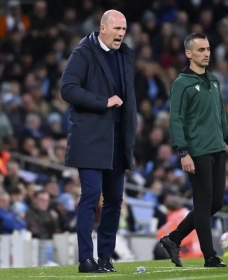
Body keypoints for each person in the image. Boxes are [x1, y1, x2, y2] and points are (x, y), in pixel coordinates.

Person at [60, 10, 137, 273]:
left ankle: (105, 256)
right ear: (103, 29)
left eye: (124, 29)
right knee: (91, 196)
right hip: (91, 138)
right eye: (117, 29)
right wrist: (102, 103)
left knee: (115, 199)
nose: (121, 34)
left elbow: (129, 97)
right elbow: (67, 88)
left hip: (117, 138)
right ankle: (85, 259)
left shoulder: (125, 54)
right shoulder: (83, 52)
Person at [160, 33, 228, 268]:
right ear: (188, 54)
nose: (206, 54)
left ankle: (173, 239)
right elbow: (175, 119)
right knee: (204, 204)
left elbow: (221, 116)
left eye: (207, 49)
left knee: (215, 204)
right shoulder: (181, 84)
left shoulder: (214, 81)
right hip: (197, 152)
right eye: (200, 50)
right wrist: (183, 152)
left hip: (217, 149)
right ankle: (210, 256)